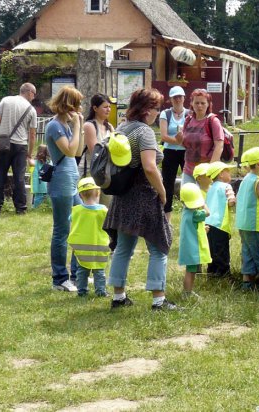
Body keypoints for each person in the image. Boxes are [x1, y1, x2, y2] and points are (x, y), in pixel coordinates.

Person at [104, 88, 178, 311]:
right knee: (159, 246)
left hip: (123, 195)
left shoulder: (122, 127)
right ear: (146, 110)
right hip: (144, 195)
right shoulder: (144, 132)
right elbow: (149, 166)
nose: (158, 113)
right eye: (156, 108)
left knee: (123, 248)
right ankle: (159, 299)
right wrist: (163, 192)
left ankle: (118, 297)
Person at [46, 86, 85, 292]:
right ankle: (59, 278)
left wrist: (78, 127)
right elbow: (69, 151)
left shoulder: (66, 126)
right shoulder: (55, 126)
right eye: (78, 104)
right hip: (61, 183)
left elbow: (78, 150)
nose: (80, 109)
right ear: (69, 105)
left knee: (79, 224)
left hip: (71, 182)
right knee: (62, 230)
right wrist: (78, 124)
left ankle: (76, 275)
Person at [0, 83, 37, 215]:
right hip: (21, 146)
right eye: (34, 94)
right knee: (19, 178)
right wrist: (30, 154)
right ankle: (20, 208)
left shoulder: (6, 100)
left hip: (3, 143)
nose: (34, 97)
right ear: (29, 92)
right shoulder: (31, 109)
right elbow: (32, 135)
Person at [67, 177, 109, 297]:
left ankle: (82, 291)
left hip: (82, 248)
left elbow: (70, 219)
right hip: (99, 246)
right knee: (99, 270)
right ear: (98, 193)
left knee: (82, 269)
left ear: (80, 195)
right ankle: (100, 291)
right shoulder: (104, 211)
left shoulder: (76, 210)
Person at [236, 147, 259, 291]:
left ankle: (247, 283)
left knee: (247, 252)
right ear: (258, 165)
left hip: (242, 223)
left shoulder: (245, 179)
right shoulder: (258, 181)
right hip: (255, 224)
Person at [176, 89, 224, 184]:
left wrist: (210, 170)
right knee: (188, 198)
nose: (199, 106)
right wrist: (179, 140)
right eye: (197, 103)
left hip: (205, 171)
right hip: (188, 170)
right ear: (192, 104)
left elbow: (219, 146)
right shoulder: (188, 120)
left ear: (208, 104)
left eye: (203, 103)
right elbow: (186, 146)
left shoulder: (212, 121)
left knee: (204, 198)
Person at [160, 86, 190, 220]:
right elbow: (163, 136)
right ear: (170, 99)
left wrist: (182, 141)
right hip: (170, 152)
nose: (178, 99)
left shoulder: (189, 114)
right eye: (175, 97)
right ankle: (166, 217)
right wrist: (177, 141)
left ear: (184, 98)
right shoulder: (165, 114)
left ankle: (189, 210)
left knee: (189, 181)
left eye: (180, 97)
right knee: (168, 184)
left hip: (185, 152)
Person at [178, 182, 211, 299]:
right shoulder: (196, 213)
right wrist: (203, 202)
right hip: (193, 248)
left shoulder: (186, 212)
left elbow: (193, 227)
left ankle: (188, 292)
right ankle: (187, 293)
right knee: (190, 271)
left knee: (191, 270)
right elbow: (208, 212)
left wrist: (202, 229)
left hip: (188, 246)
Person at [204, 161, 236, 277]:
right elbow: (231, 200)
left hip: (208, 223)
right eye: (228, 171)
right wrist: (233, 201)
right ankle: (224, 274)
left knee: (212, 249)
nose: (230, 174)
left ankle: (211, 271)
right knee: (222, 250)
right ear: (221, 174)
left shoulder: (210, 188)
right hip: (220, 224)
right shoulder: (227, 186)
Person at [80, 94, 115, 177]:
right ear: (95, 108)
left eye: (109, 107)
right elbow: (95, 153)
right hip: (88, 172)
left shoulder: (109, 127)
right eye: (105, 107)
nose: (109, 110)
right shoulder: (89, 126)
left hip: (104, 171)